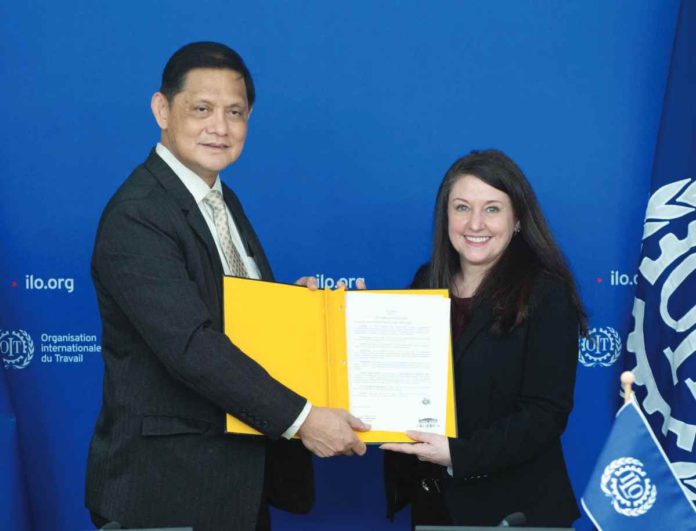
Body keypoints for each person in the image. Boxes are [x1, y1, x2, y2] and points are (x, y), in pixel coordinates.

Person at [85, 41, 369, 531]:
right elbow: (192, 346)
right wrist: (304, 420)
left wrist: (294, 311)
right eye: (202, 109)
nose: (220, 127)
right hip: (167, 491)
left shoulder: (220, 198)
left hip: (233, 483)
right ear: (161, 109)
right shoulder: (138, 214)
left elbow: (233, 316)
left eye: (235, 112)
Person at [381, 149, 586, 528]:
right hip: (433, 504)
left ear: (518, 218)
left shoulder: (545, 294)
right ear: (446, 217)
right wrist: (354, 324)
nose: (475, 223)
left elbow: (545, 414)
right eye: (461, 208)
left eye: (492, 208)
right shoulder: (427, 280)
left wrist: (459, 454)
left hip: (515, 511)